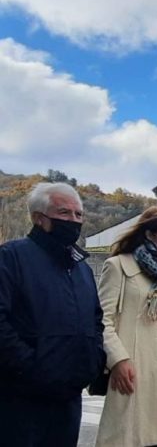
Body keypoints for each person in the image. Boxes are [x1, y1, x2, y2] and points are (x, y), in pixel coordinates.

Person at [0, 182, 105, 447]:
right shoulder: (10, 257)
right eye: (64, 213)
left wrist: (93, 360)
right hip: (20, 396)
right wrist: (31, 366)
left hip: (68, 395)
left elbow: (95, 318)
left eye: (78, 214)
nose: (73, 220)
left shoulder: (80, 266)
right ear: (39, 218)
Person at [95, 206, 157, 447]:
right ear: (149, 234)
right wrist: (117, 360)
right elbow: (101, 320)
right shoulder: (118, 266)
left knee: (156, 437)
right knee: (125, 437)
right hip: (130, 367)